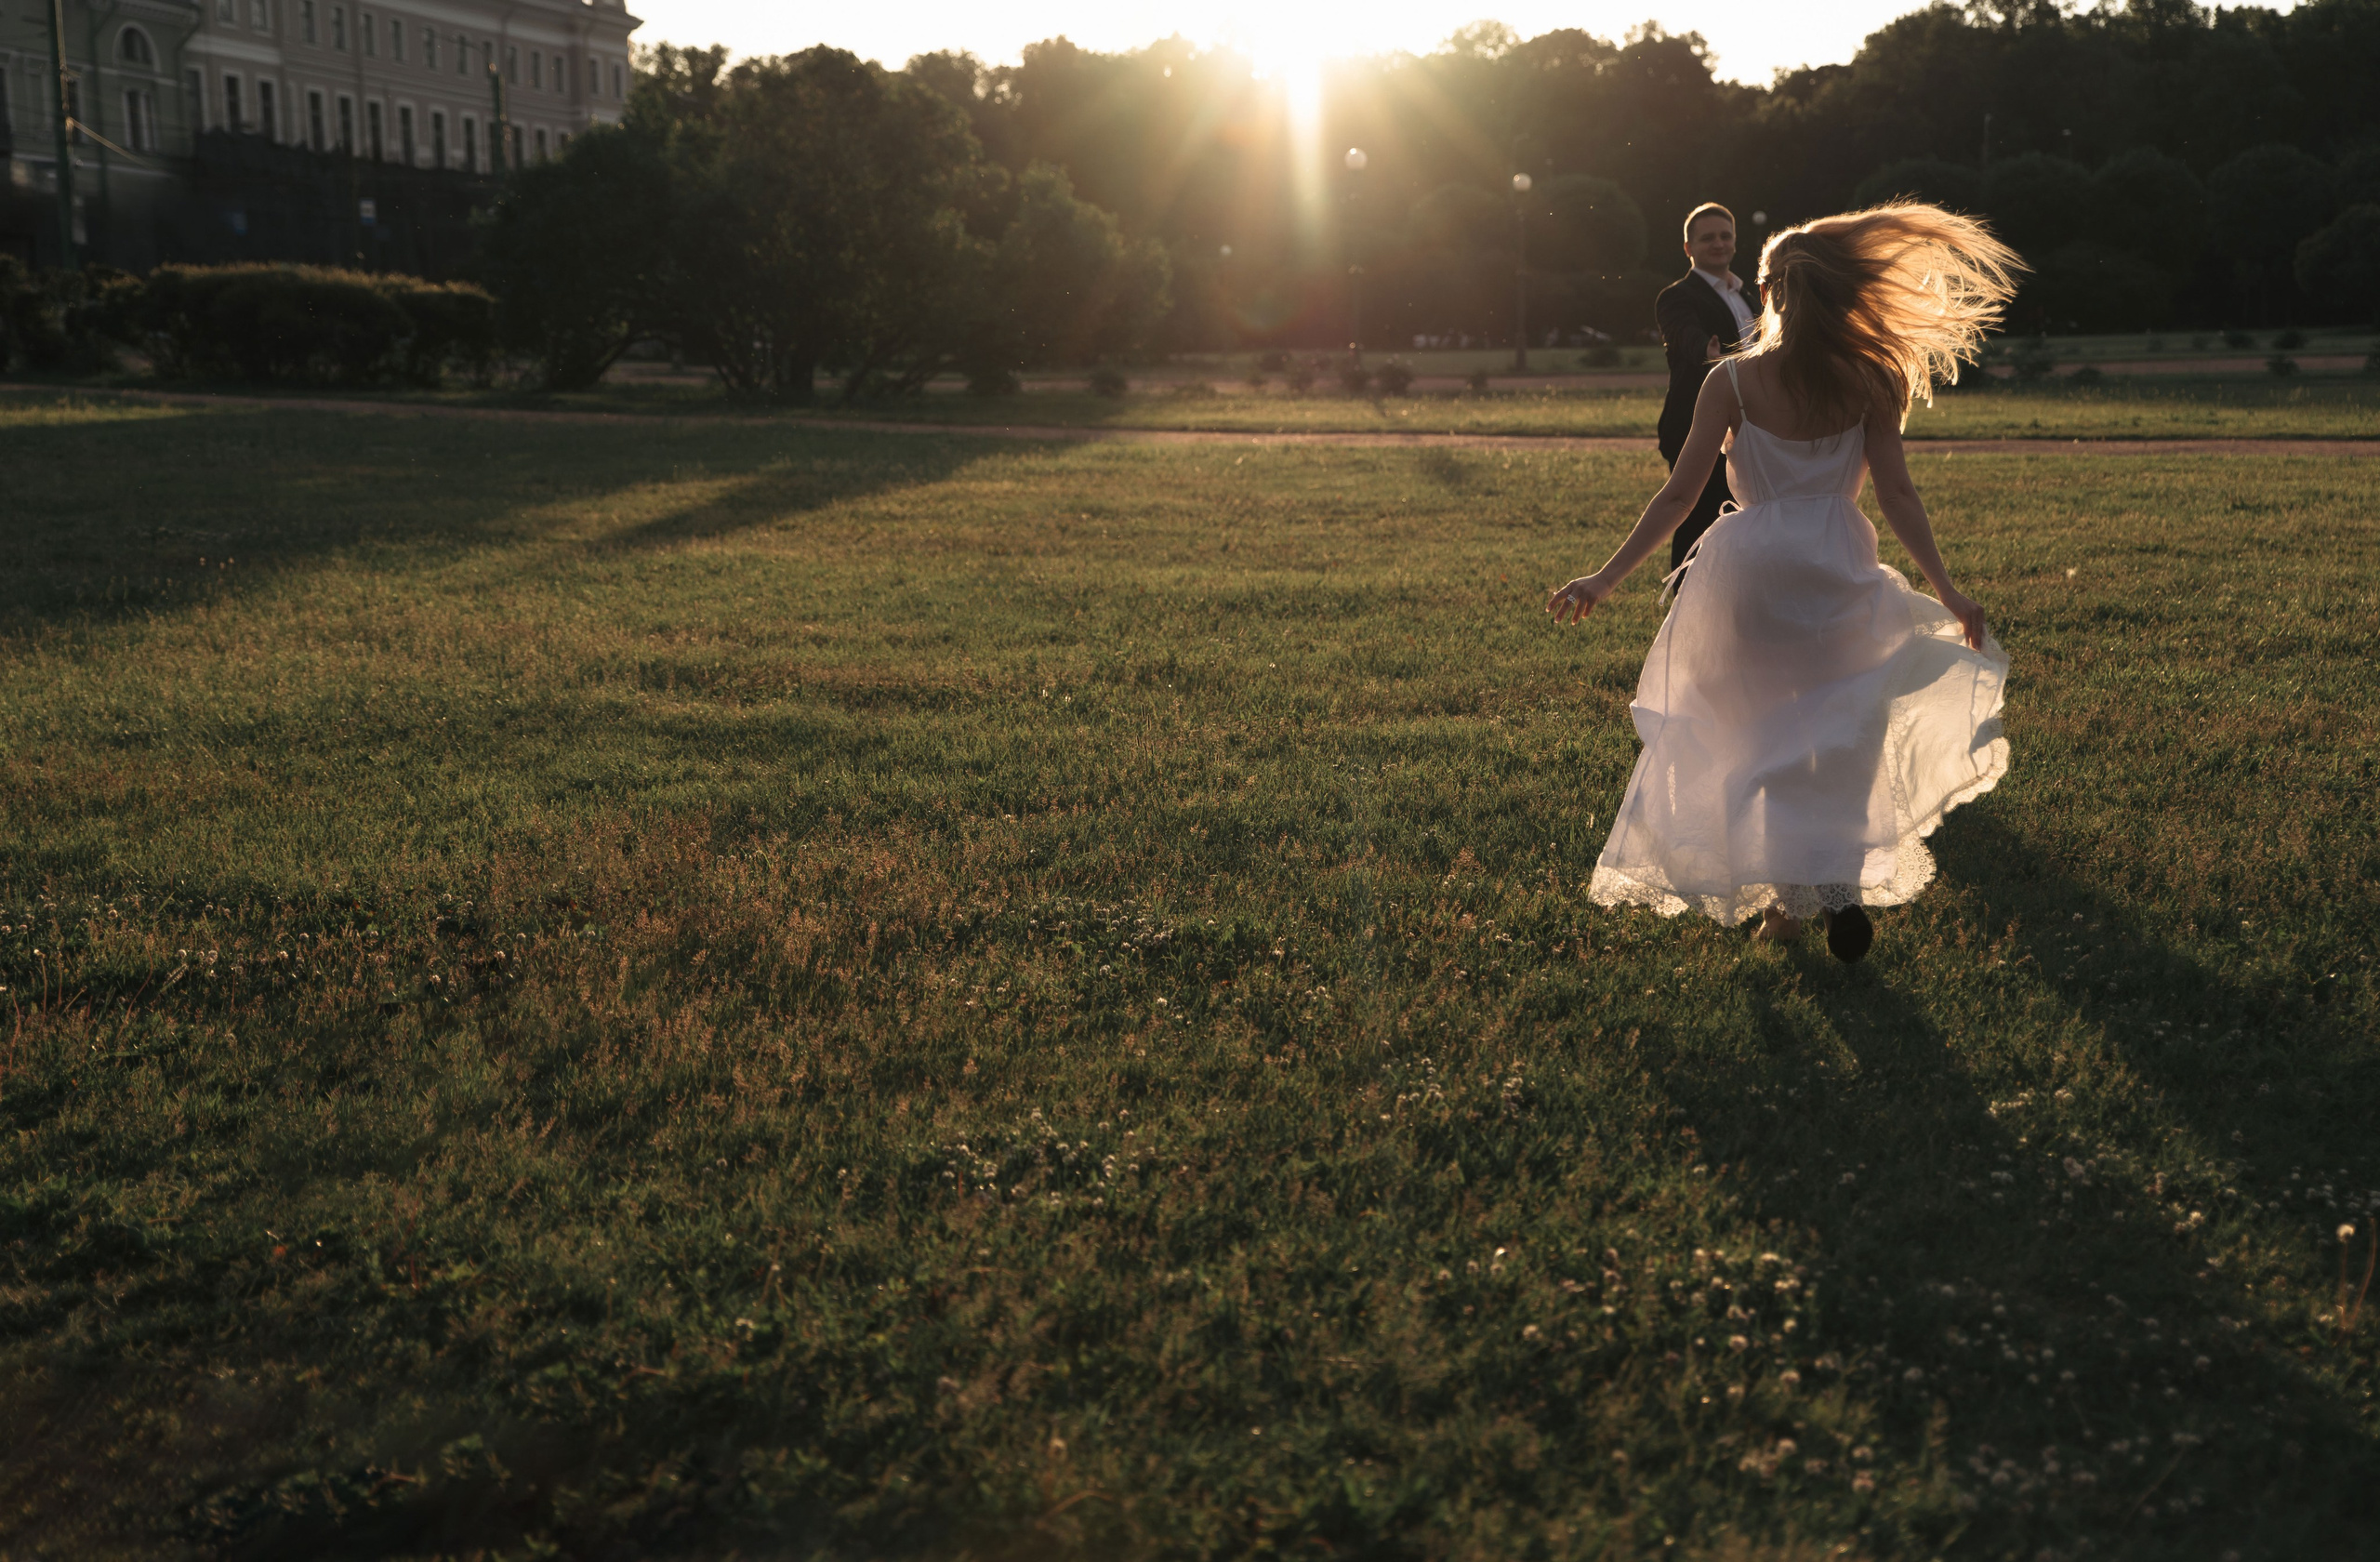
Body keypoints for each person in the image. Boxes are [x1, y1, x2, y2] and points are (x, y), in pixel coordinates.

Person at [1545, 203, 2022, 961]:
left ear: (1766, 294)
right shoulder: (1872, 377)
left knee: (1755, 733)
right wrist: (1949, 588)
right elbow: (1898, 495)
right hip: (1838, 565)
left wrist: (1605, 579)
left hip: (1750, 572)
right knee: (1842, 733)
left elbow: (1679, 496)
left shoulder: (1731, 382)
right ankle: (1830, 887)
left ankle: (1788, 903)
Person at [1655, 204, 1764, 582]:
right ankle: (1683, 612)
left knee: (1743, 523)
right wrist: (1708, 352)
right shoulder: (1676, 297)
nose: (1718, 244)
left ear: (1734, 241)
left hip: (1753, 429)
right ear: (1688, 247)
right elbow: (1684, 335)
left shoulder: (1749, 297)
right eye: (1707, 238)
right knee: (1696, 522)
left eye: (1725, 236)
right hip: (1698, 428)